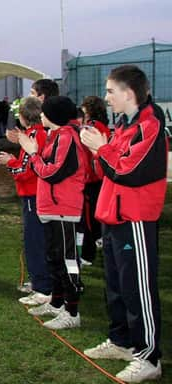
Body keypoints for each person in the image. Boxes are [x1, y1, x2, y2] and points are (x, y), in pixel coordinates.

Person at [81, 65, 167, 383]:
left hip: (135, 219)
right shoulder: (122, 124)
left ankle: (148, 357)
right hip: (113, 215)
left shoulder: (149, 123)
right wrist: (101, 149)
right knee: (116, 287)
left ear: (128, 93)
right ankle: (121, 341)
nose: (107, 97)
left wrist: (100, 148)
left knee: (138, 288)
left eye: (111, 91)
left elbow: (128, 171)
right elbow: (108, 168)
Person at [18, 96, 86, 330]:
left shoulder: (67, 137)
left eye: (45, 112)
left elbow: (52, 172)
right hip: (51, 208)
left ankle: (72, 310)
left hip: (64, 209)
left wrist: (33, 154)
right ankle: (57, 303)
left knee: (68, 262)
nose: (41, 116)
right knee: (55, 259)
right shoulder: (56, 136)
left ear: (54, 115)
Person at [0, 97, 51, 304]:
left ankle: (43, 287)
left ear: (24, 116)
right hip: (35, 193)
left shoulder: (35, 135)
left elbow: (25, 169)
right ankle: (39, 281)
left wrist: (8, 162)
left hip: (33, 194)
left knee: (35, 240)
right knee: (37, 240)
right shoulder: (34, 134)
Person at [78, 96, 111, 266]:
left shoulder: (91, 127)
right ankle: (99, 241)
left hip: (91, 177)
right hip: (99, 176)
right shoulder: (102, 126)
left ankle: (87, 255)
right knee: (93, 216)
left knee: (89, 219)